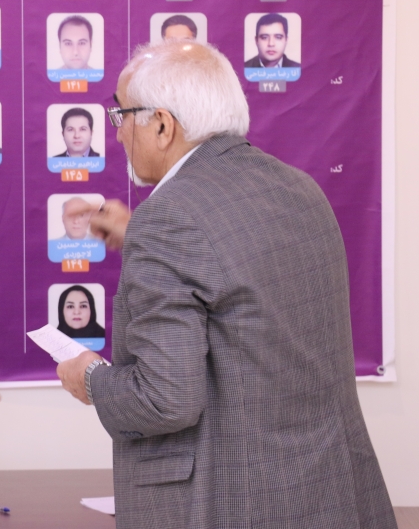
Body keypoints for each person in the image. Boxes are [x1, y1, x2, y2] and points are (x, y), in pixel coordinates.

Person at [56, 40, 397, 528]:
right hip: (331, 496)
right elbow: (246, 278)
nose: (118, 132)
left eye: (122, 115)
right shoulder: (300, 188)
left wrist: (90, 377)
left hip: (238, 505)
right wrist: (142, 239)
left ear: (162, 125)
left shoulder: (169, 218)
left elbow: (163, 400)